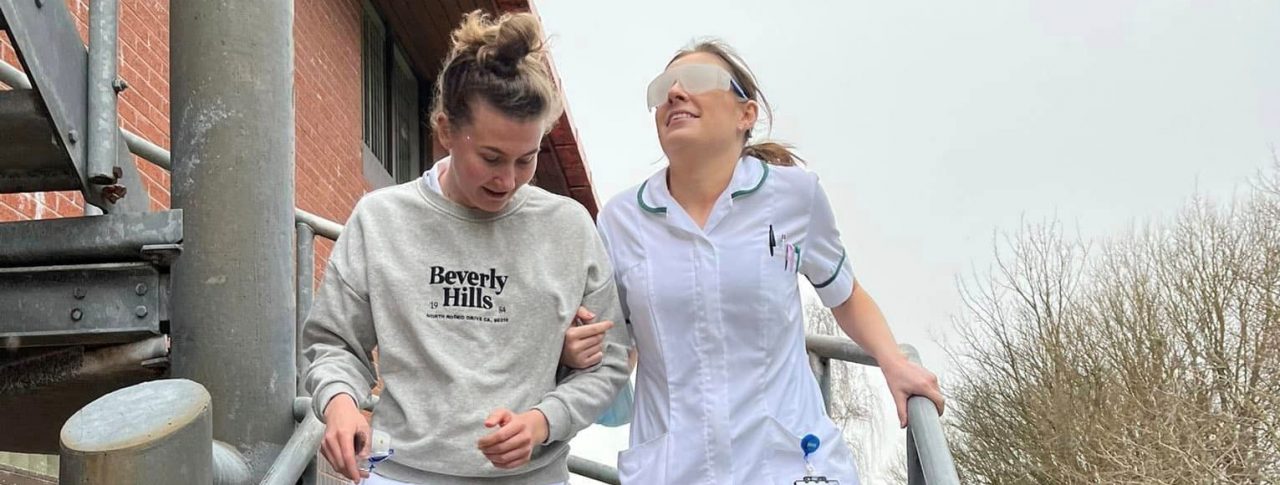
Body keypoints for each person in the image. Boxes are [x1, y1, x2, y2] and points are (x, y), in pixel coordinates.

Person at [561, 40, 946, 484]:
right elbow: (618, 343)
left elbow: (846, 295)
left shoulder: (795, 196)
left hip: (789, 461)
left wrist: (893, 361)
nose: (675, 93)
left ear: (746, 115)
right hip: (673, 468)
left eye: (699, 80)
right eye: (664, 87)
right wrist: (576, 357)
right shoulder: (621, 219)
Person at [303, 11, 629, 485]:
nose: (509, 180)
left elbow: (611, 360)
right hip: (400, 474)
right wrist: (340, 402)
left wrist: (542, 422)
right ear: (445, 131)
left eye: (527, 158)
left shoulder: (570, 228)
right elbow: (333, 343)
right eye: (491, 158)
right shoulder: (381, 219)